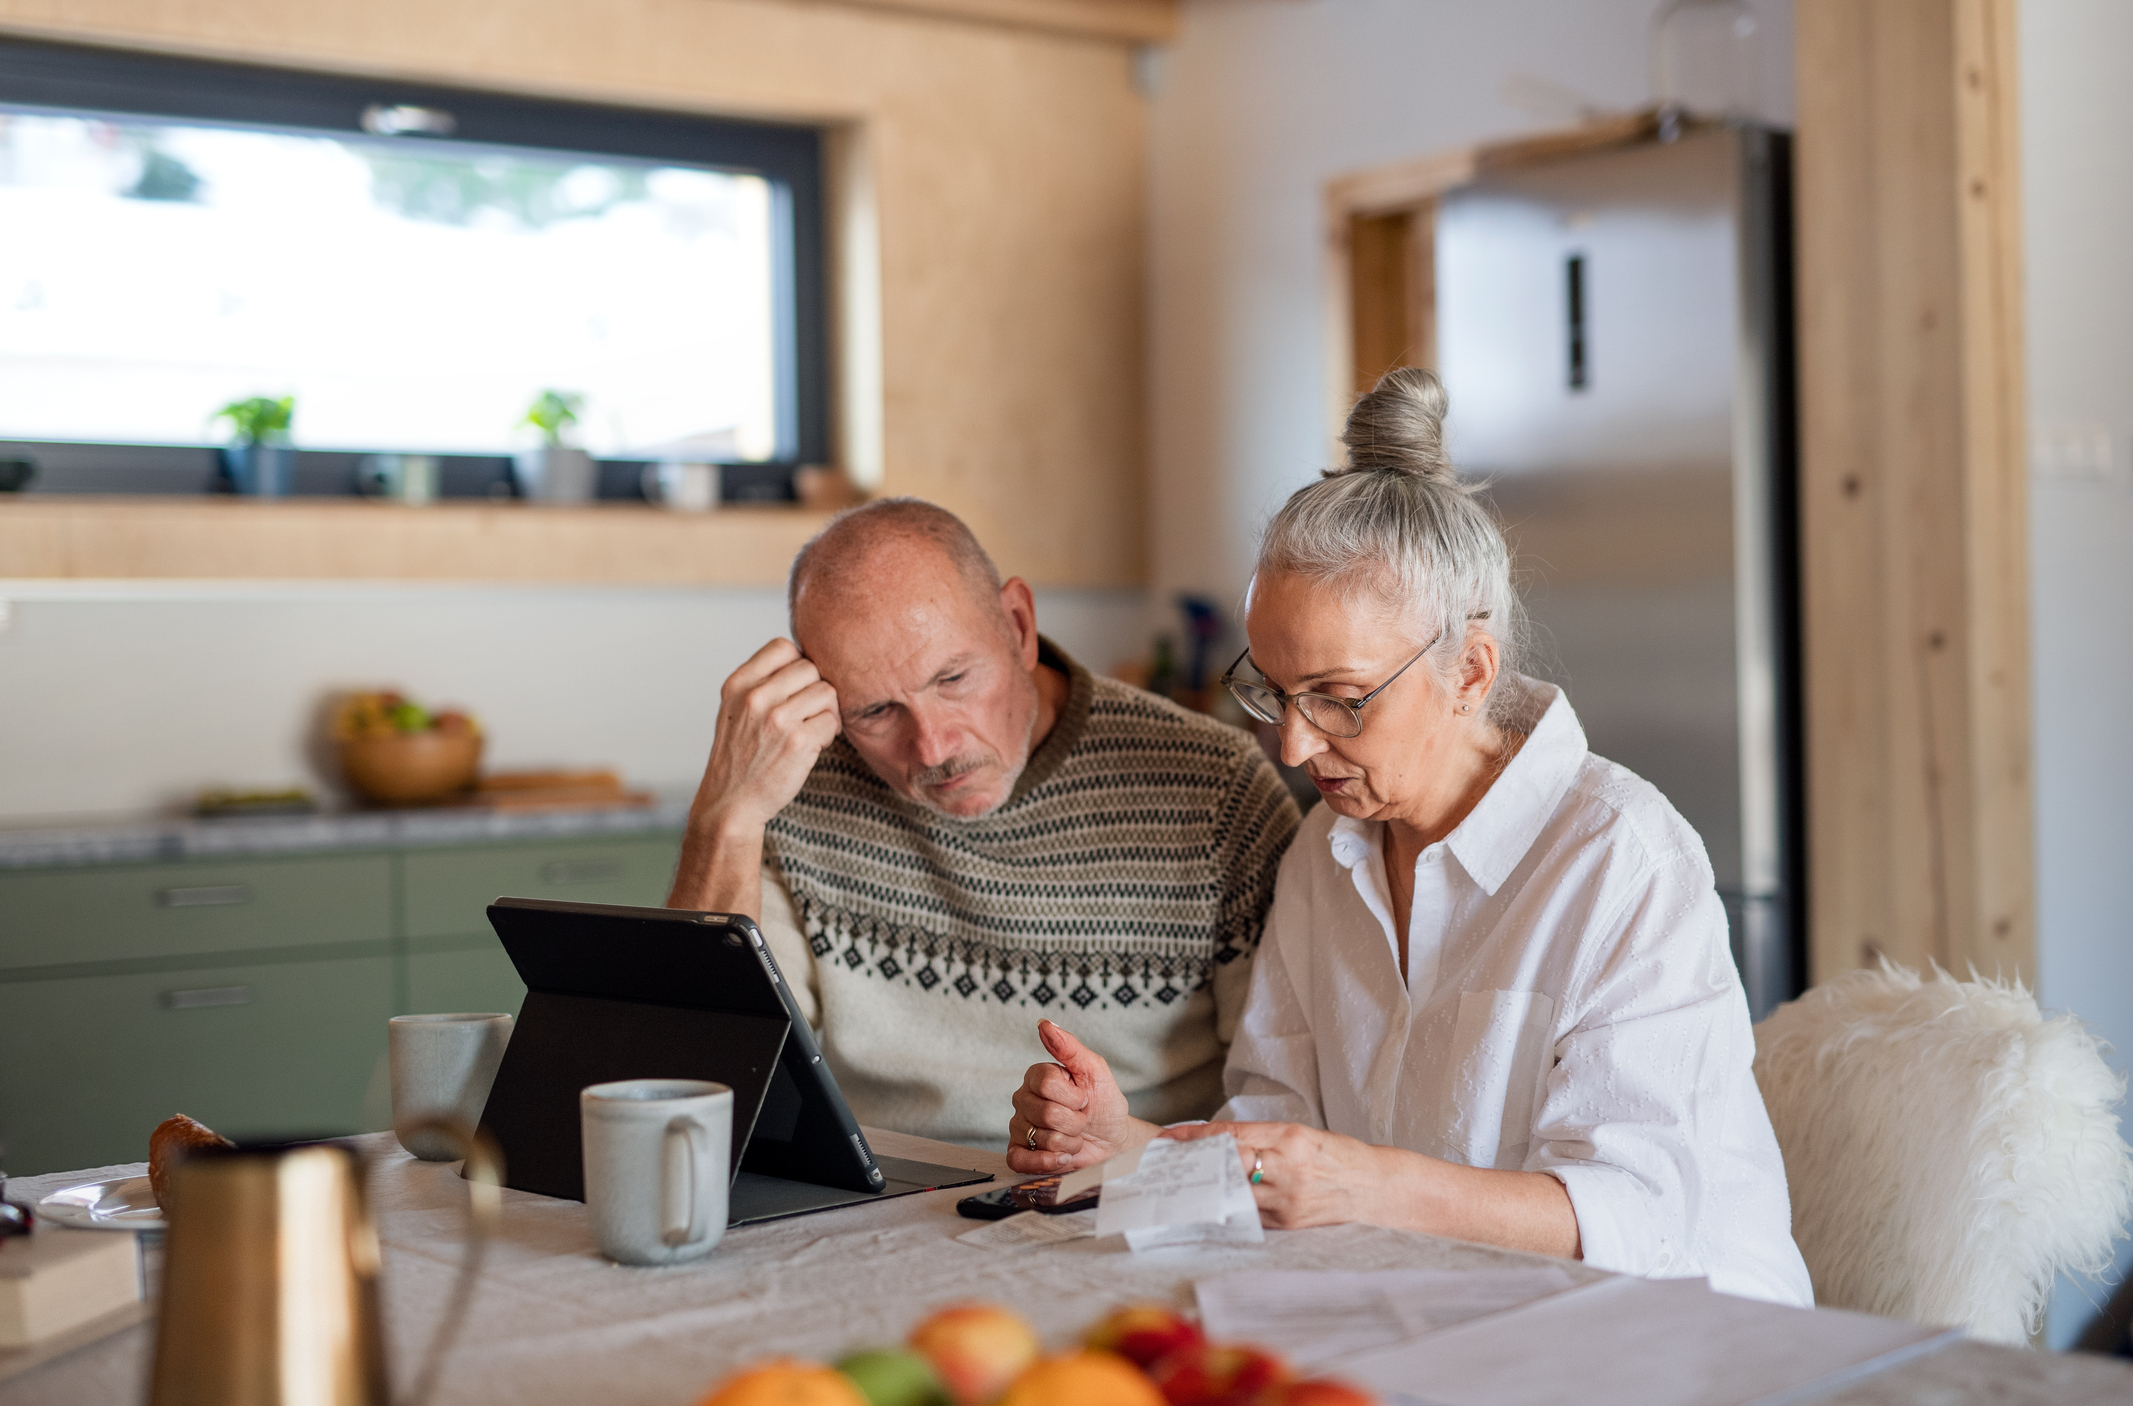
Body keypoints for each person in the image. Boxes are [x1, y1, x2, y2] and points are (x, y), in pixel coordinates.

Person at [1006, 369, 1814, 1306]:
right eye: (1271, 690)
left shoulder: (1620, 860)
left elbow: (1639, 1216)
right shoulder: (1327, 851)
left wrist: (1368, 1186)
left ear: (1469, 671)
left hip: (1679, 1341)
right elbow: (1277, 1145)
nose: (1295, 744)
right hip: (1435, 1311)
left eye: (1341, 700)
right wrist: (1128, 1147)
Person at [668, 498, 1300, 1148]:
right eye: (876, 711)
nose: (934, 748)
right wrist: (726, 817)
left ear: (1018, 626)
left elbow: (1288, 1112)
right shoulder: (794, 782)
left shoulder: (1215, 785)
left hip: (1129, 1200)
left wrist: (1135, 1151)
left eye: (953, 678)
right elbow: (702, 1084)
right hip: (877, 1203)